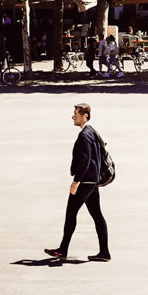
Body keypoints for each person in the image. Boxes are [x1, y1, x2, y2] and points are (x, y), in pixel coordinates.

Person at [44, 103, 110, 261]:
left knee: (71, 213)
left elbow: (85, 161)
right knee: (97, 215)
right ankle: (104, 253)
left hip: (85, 181)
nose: (73, 116)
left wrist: (76, 182)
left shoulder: (84, 136)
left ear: (85, 116)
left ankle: (63, 250)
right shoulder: (92, 131)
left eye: (76, 114)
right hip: (93, 181)